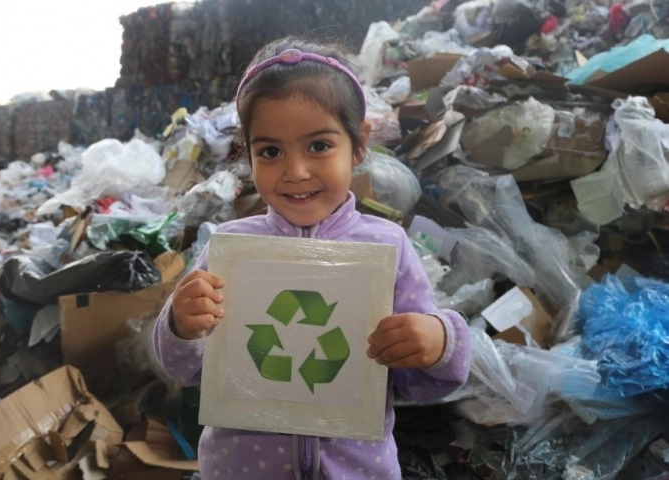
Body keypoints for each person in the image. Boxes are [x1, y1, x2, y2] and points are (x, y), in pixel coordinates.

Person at [153, 37, 471, 480]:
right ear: (247, 155)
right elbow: (185, 371)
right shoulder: (229, 249)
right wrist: (180, 326)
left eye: (319, 146)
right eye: (270, 151)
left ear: (359, 145)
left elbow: (421, 385)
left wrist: (438, 343)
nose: (296, 171)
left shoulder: (388, 248)